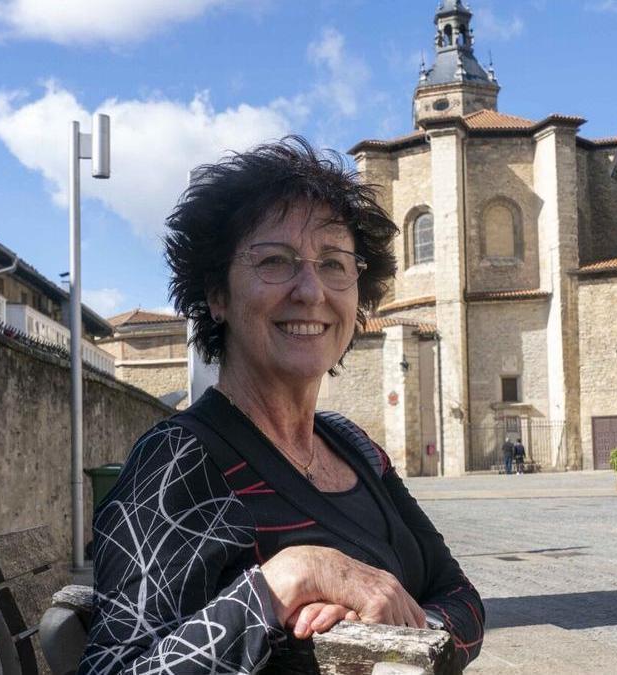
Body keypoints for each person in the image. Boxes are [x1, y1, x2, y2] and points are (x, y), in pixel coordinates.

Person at [79, 138, 484, 673]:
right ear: (217, 296)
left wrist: (389, 636)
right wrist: (281, 582)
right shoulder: (179, 460)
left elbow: (461, 597)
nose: (311, 290)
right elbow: (116, 668)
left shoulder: (355, 446)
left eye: (334, 264)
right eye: (275, 261)